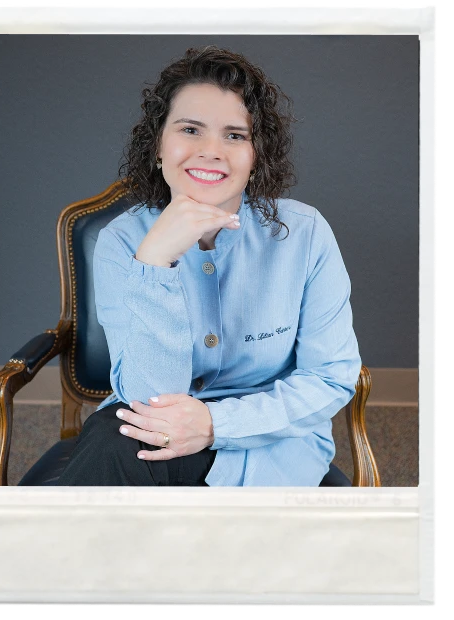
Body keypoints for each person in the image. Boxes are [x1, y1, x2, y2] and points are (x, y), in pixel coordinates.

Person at [56, 45, 361, 487]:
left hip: (272, 443)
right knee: (117, 438)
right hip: (155, 435)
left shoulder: (306, 233)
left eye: (235, 135)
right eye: (190, 129)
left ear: (257, 158)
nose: (211, 150)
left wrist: (216, 423)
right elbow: (148, 398)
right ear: (159, 145)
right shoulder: (123, 241)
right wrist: (155, 263)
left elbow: (329, 379)